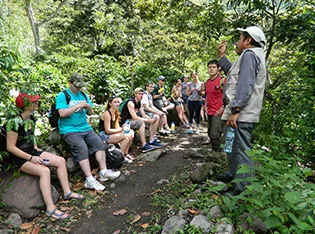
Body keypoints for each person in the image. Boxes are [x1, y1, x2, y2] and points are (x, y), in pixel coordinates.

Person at [6, 93, 84, 220]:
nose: (37, 103)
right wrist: (32, 158)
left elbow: (31, 136)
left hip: (32, 152)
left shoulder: (31, 118)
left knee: (60, 160)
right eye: (34, 102)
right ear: (26, 105)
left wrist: (37, 150)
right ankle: (50, 208)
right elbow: (11, 147)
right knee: (45, 171)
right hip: (19, 158)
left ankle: (67, 192)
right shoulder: (14, 122)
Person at [217, 26, 267, 195]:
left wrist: (236, 109)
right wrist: (222, 57)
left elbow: (245, 85)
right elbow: (234, 76)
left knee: (240, 149)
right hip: (239, 113)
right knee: (231, 145)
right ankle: (233, 174)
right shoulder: (250, 56)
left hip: (242, 114)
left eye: (239, 38)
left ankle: (242, 190)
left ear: (248, 41)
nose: (236, 43)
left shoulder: (250, 55)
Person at [56, 73, 121, 191]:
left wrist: (88, 107)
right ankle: (89, 179)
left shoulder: (83, 95)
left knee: (99, 145)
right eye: (76, 86)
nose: (79, 88)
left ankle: (103, 171)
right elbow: (62, 113)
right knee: (82, 149)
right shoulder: (63, 96)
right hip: (69, 129)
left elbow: (90, 113)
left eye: (80, 86)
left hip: (85, 127)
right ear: (70, 83)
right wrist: (77, 106)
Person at [120, 87, 161, 152]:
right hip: (125, 122)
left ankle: (152, 139)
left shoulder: (139, 103)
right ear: (135, 94)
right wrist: (148, 120)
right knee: (141, 123)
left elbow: (143, 114)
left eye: (142, 94)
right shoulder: (131, 102)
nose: (141, 96)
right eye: (139, 94)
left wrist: (151, 119)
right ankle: (144, 144)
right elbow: (135, 117)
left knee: (156, 117)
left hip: (132, 121)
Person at [99, 95, 134, 163]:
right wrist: (121, 130)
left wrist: (124, 128)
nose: (117, 104)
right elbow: (107, 130)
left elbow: (116, 127)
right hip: (104, 135)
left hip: (112, 133)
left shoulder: (116, 113)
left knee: (131, 133)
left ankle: (125, 154)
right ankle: (120, 157)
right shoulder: (107, 114)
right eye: (115, 102)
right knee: (125, 137)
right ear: (110, 104)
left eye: (118, 102)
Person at [205, 59, 226, 152]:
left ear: (218, 69)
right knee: (210, 133)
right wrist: (205, 106)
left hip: (218, 111)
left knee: (215, 133)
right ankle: (214, 152)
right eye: (209, 67)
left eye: (214, 67)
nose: (211, 69)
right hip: (209, 110)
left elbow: (228, 95)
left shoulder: (222, 80)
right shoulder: (207, 82)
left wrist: (222, 108)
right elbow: (207, 95)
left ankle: (218, 154)